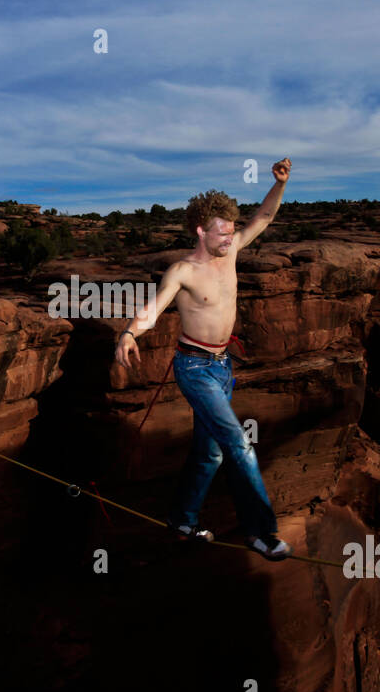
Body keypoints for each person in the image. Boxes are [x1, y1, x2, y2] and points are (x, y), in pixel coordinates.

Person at [114, 158, 293, 561]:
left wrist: (280, 184)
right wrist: (128, 333)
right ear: (200, 230)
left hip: (222, 367)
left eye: (232, 231)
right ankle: (261, 533)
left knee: (210, 452)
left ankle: (182, 518)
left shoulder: (231, 253)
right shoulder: (183, 271)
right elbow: (153, 310)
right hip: (194, 369)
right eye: (222, 233)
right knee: (238, 444)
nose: (230, 239)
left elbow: (264, 217)